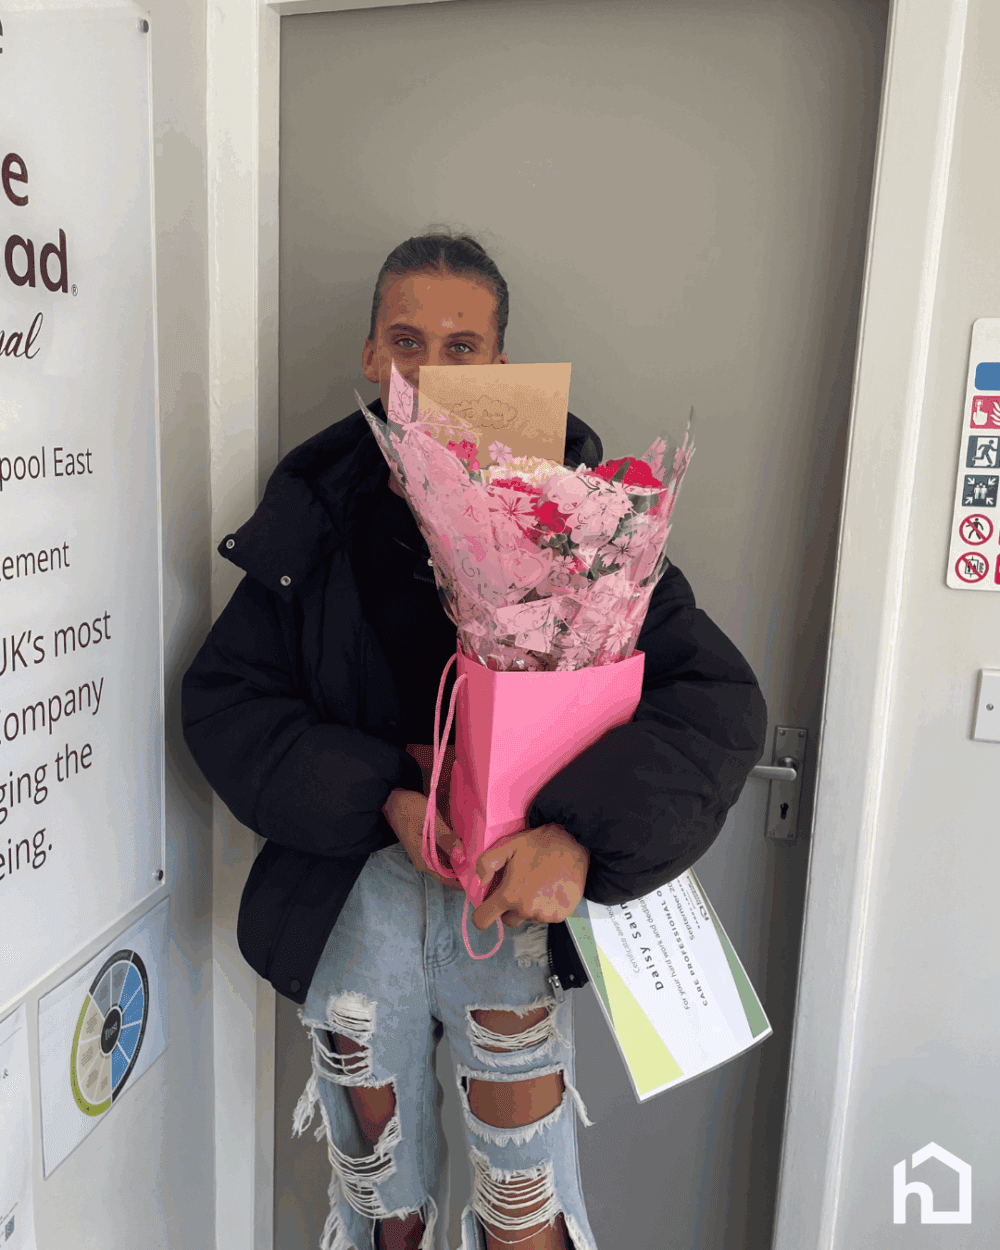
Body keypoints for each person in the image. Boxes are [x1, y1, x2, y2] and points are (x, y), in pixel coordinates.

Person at [181, 232, 767, 1250]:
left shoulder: (583, 516)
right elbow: (227, 701)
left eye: (463, 343)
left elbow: (715, 701)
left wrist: (579, 838)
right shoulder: (317, 510)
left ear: (499, 363)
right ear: (371, 353)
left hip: (509, 904)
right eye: (407, 339)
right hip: (358, 896)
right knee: (381, 1202)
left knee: (522, 1208)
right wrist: (382, 794)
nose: (432, 366)